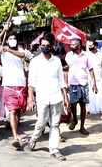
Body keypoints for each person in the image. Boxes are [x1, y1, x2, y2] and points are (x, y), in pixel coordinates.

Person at [26, 33, 69, 161]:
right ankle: (33, 139)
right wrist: (30, 99)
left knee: (55, 124)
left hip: (56, 97)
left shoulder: (56, 61)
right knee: (41, 123)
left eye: (47, 45)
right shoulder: (35, 62)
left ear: (52, 46)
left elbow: (61, 81)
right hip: (42, 98)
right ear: (40, 45)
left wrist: (65, 97)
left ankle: (54, 149)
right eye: (43, 45)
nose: (45, 47)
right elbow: (31, 83)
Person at [65, 38, 98, 135]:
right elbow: (66, 69)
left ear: (79, 45)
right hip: (73, 84)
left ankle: (82, 127)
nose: (71, 46)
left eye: (73, 44)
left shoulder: (86, 55)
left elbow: (91, 69)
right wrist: (65, 83)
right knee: (73, 104)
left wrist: (94, 83)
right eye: (70, 44)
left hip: (84, 83)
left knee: (83, 106)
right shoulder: (69, 55)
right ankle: (75, 119)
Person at [0, 34, 27, 149]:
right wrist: (3, 31)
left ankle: (17, 131)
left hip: (21, 85)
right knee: (12, 111)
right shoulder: (3, 51)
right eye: (10, 39)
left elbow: (22, 55)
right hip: (9, 85)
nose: (12, 40)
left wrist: (9, 49)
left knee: (18, 111)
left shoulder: (19, 50)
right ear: (7, 40)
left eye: (14, 38)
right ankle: (15, 136)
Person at [87, 40, 102, 117]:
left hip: (99, 78)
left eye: (91, 46)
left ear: (95, 46)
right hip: (89, 78)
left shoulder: (101, 55)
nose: (90, 47)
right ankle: (91, 110)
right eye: (89, 46)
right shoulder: (87, 55)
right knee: (91, 94)